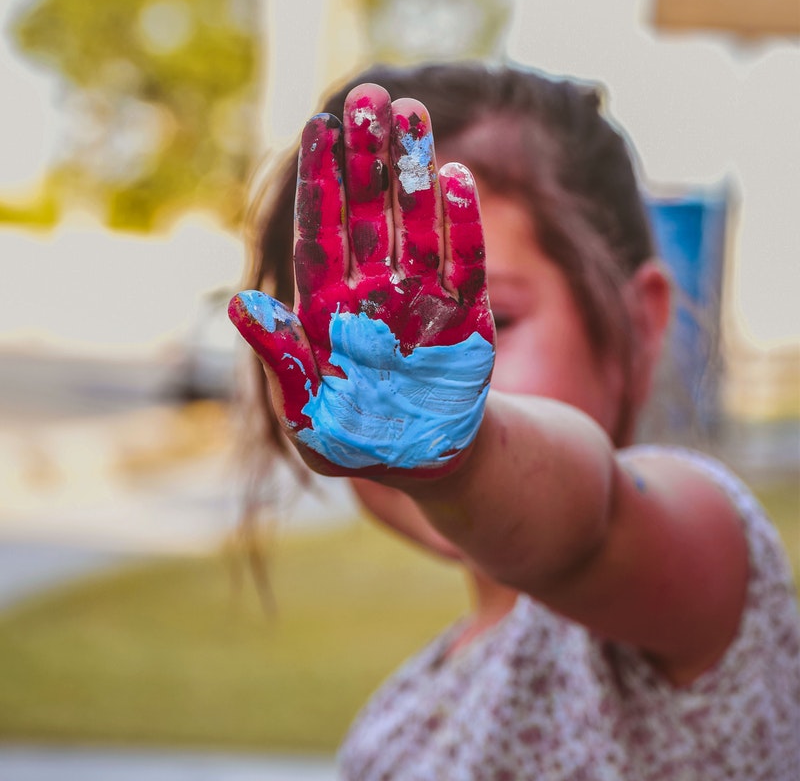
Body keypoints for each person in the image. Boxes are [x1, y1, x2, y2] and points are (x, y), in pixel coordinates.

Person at [228, 63, 800, 779]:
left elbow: (587, 523)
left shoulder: (697, 577)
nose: (399, 364)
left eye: (494, 318)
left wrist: (457, 454)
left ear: (639, 326)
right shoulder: (404, 711)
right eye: (340, 334)